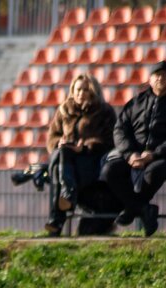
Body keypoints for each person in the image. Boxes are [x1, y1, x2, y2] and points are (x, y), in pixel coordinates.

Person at [99, 61, 166, 237]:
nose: (160, 78)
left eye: (165, 75)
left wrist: (153, 155)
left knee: (153, 171)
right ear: (149, 79)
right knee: (109, 170)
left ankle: (132, 209)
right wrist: (130, 154)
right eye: (157, 75)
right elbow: (120, 130)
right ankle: (144, 209)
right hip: (133, 156)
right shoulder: (136, 103)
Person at [43, 73, 116, 237]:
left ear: (93, 91)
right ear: (72, 90)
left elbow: (110, 140)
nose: (80, 93)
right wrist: (60, 142)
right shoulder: (64, 110)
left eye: (85, 90)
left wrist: (84, 147)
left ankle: (56, 219)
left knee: (58, 162)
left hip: (91, 161)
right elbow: (51, 137)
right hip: (66, 162)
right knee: (61, 152)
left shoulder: (104, 111)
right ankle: (67, 193)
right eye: (78, 89)